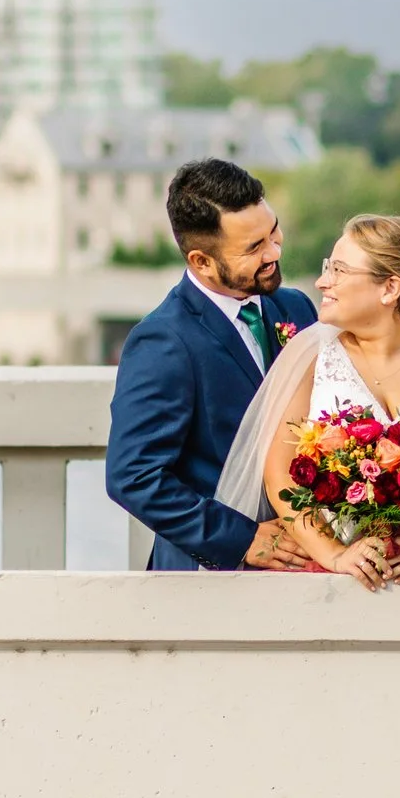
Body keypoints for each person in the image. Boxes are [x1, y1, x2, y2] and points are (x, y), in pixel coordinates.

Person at [215, 213, 400, 590]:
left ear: (390, 288)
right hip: (335, 584)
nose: (322, 281)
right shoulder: (315, 360)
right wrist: (333, 554)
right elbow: (278, 474)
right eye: (328, 268)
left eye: (339, 270)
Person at [105, 159, 322, 570]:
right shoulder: (163, 340)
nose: (274, 252)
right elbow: (133, 477)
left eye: (272, 231)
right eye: (253, 248)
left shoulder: (296, 306)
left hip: (306, 565)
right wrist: (242, 538)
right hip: (209, 578)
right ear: (201, 261)